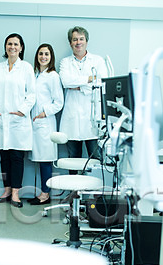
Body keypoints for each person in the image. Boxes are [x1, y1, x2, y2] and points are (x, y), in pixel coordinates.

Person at [0, 33, 36, 208]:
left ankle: (16, 193)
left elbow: (32, 94)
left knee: (16, 157)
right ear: (5, 47)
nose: (12, 47)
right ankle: (6, 190)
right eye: (10, 44)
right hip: (0, 120)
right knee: (4, 157)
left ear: (21, 48)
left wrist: (21, 111)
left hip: (18, 121)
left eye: (16, 44)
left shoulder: (26, 68)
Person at [59, 26, 108, 164]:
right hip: (72, 119)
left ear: (86, 41)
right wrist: (90, 79)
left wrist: (78, 86)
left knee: (96, 160)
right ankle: (74, 181)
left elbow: (101, 83)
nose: (78, 42)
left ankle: (93, 181)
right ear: (70, 43)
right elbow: (66, 81)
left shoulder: (98, 60)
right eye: (75, 40)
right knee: (73, 160)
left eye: (81, 39)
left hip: (92, 118)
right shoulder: (65, 62)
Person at [28, 43, 64, 206]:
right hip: (34, 123)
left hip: (45, 123)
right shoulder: (35, 74)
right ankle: (42, 192)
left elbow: (59, 102)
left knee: (45, 160)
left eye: (47, 54)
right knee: (39, 159)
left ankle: (45, 194)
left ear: (51, 57)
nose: (43, 57)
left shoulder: (53, 76)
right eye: (41, 54)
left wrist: (44, 112)